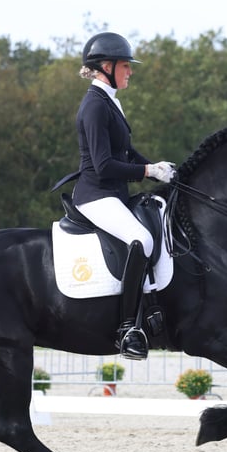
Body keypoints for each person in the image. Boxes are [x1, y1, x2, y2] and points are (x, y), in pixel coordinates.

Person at [68, 32, 175, 360]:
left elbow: (126, 152)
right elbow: (103, 165)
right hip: (96, 194)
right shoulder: (95, 106)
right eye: (126, 66)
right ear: (106, 66)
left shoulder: (109, 101)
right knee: (141, 239)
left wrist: (159, 168)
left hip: (112, 193)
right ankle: (128, 328)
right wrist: (147, 173)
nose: (130, 72)